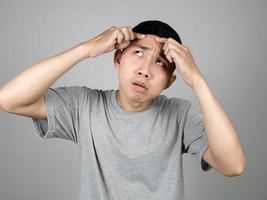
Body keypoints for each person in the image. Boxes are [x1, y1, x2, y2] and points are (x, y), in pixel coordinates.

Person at [0, 20, 246, 200]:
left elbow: (233, 165)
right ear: (117, 59)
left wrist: (199, 82)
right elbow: (10, 99)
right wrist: (86, 49)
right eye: (138, 53)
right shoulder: (84, 106)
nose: (144, 70)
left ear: (170, 82)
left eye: (160, 62)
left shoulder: (179, 114)